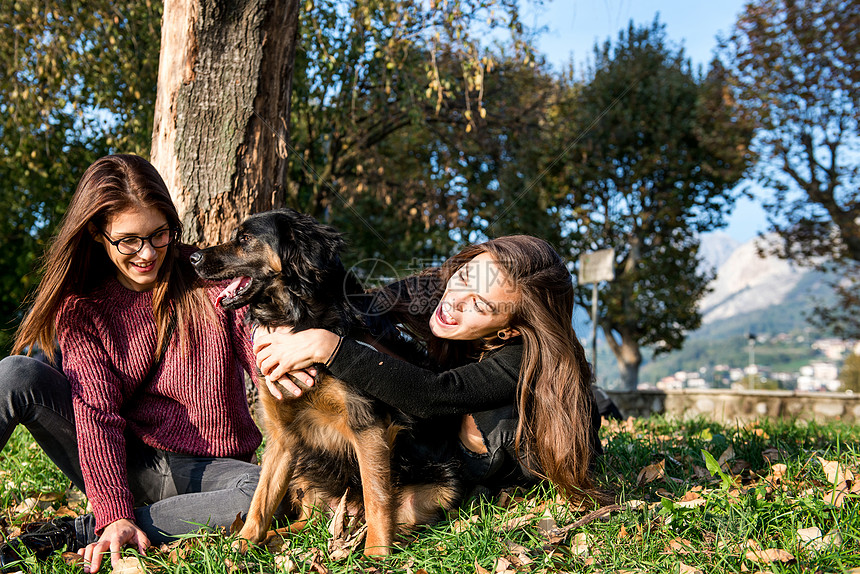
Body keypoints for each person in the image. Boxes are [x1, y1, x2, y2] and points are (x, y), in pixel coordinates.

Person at [0, 154, 265, 573]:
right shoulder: (83, 310)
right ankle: (115, 520)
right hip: (133, 463)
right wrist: (113, 506)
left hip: (214, 468)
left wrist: (288, 355)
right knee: (14, 373)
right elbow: (96, 414)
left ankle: (83, 531)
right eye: (129, 240)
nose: (147, 254)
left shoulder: (208, 276)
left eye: (160, 235)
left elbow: (258, 348)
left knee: (260, 492)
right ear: (97, 233)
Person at [254, 235, 604, 500]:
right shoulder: (442, 289)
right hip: (436, 439)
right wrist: (273, 334)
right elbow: (354, 305)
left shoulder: (523, 357)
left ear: (510, 329)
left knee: (473, 420)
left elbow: (435, 395)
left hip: (506, 455)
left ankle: (479, 484)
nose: (454, 301)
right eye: (465, 277)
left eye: (479, 306)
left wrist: (329, 348)